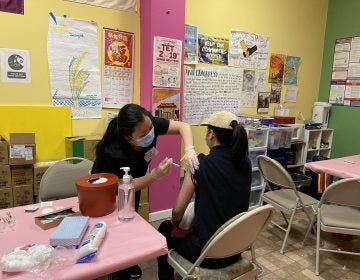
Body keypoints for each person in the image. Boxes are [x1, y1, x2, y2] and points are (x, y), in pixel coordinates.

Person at [91, 103, 199, 280]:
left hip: (135, 180)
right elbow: (122, 186)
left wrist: (189, 149)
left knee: (130, 221)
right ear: (128, 137)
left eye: (150, 128)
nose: (150, 134)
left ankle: (129, 261)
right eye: (143, 134)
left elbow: (182, 126)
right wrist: (155, 175)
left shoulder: (148, 124)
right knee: (117, 227)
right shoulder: (114, 151)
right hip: (109, 189)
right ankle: (120, 268)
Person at [157, 111, 252, 280]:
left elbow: (178, 211)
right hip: (235, 249)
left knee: (164, 229)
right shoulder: (245, 163)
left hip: (208, 255)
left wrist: (175, 223)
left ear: (211, 135)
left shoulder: (200, 164)